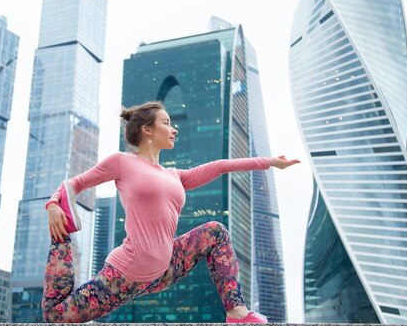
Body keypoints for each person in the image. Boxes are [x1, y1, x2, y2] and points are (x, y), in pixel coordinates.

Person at [43, 101, 300, 323]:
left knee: (215, 232)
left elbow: (220, 166)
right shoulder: (121, 162)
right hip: (123, 276)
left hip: (164, 271)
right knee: (56, 315)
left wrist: (269, 162)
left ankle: (238, 313)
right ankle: (61, 240)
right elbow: (75, 184)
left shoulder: (175, 176)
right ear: (147, 130)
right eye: (166, 123)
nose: (174, 128)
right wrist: (53, 204)